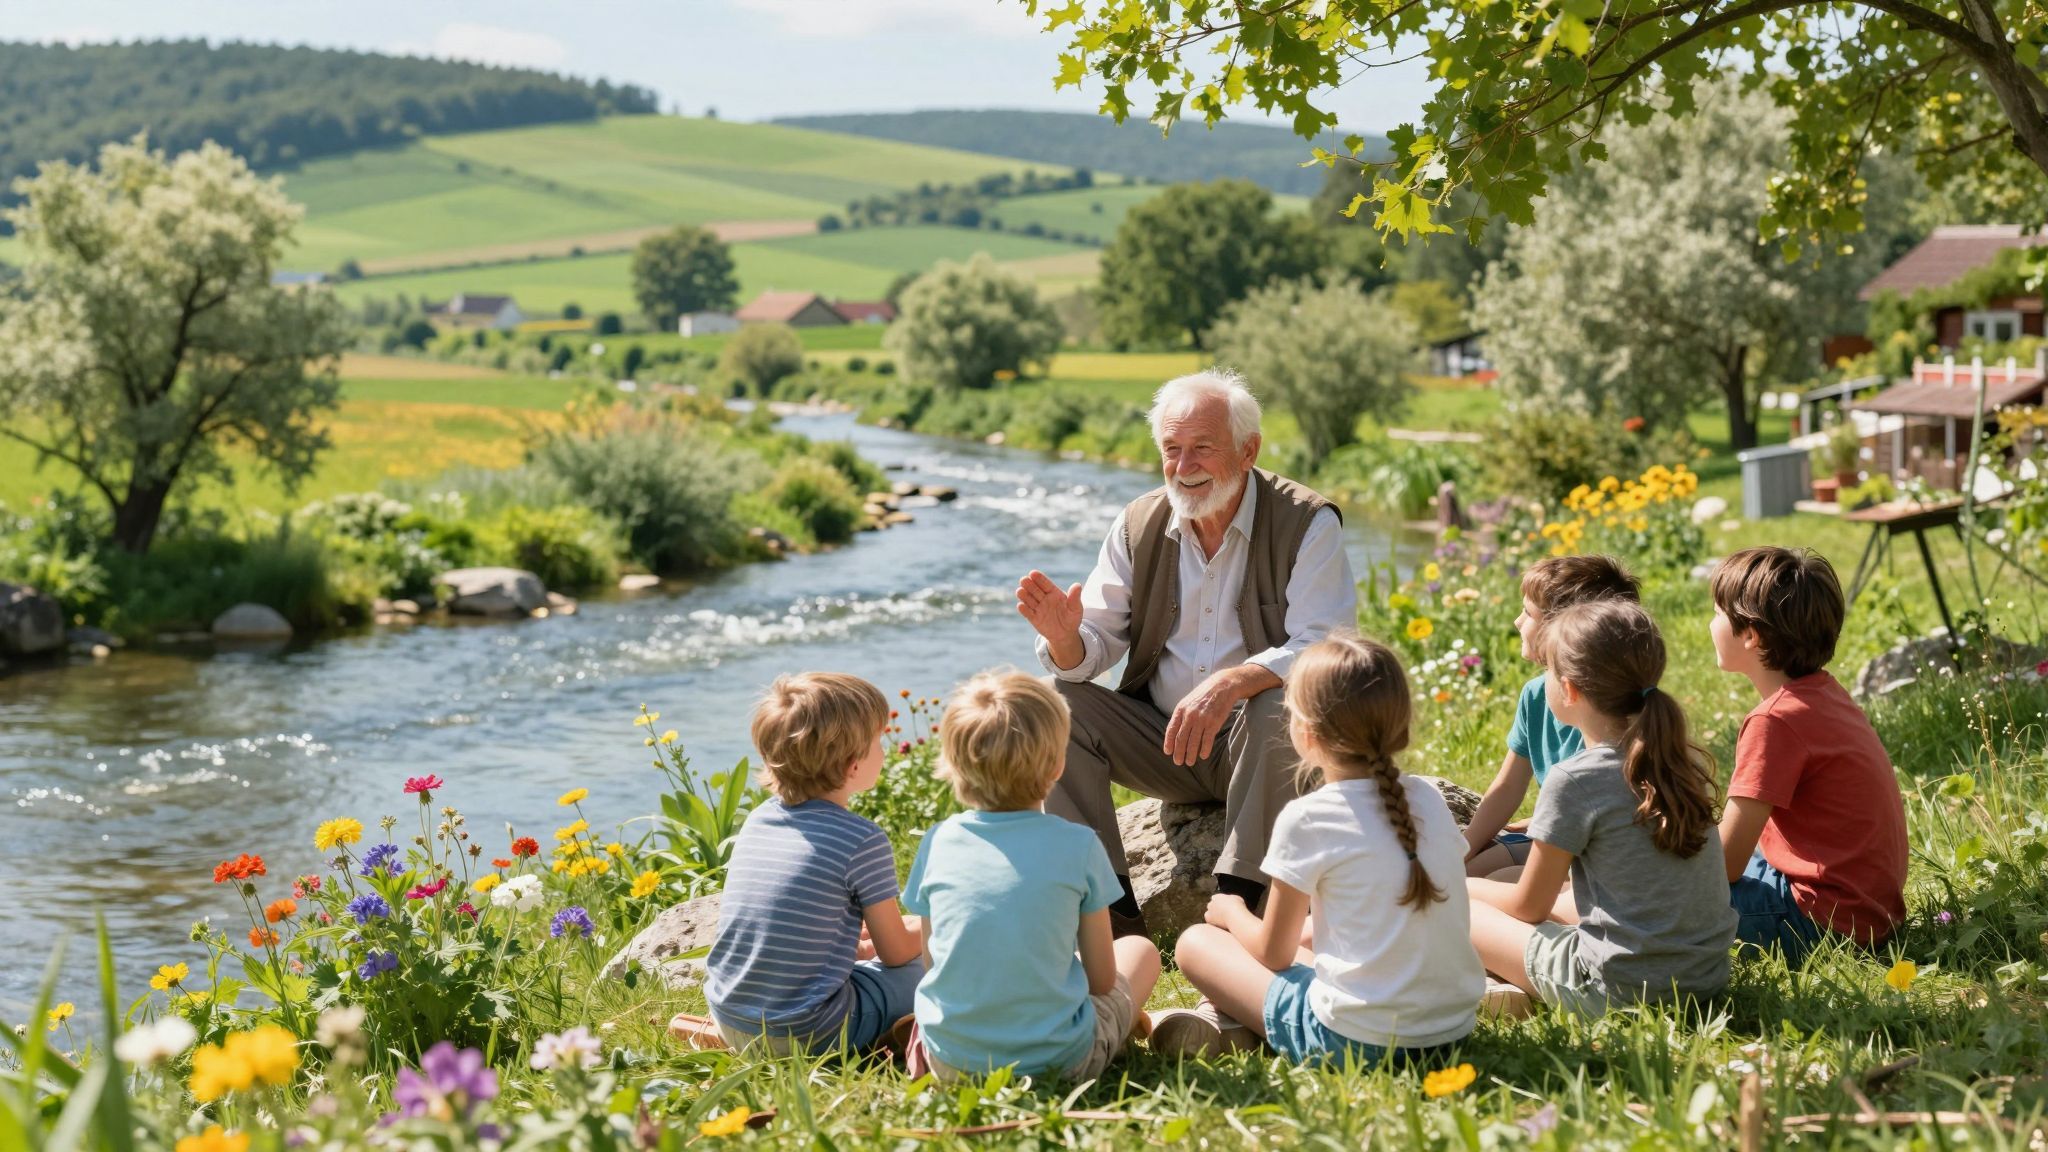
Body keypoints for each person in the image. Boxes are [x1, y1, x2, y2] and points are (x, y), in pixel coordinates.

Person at [1016, 369, 1358, 935]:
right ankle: (1110, 915)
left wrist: (1233, 682)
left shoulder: (1307, 521)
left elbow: (1328, 645)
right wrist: (1065, 638)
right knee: (1058, 701)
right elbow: (1093, 647)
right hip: (1164, 743)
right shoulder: (1137, 523)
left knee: (1281, 699)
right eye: (1172, 449)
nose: (1184, 465)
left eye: (1203, 447)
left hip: (1264, 749)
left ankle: (1241, 899)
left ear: (1249, 451)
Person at [1156, 634, 1483, 1064]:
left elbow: (1272, 953)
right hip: (1451, 1031)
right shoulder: (1425, 799)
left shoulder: (1307, 818)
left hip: (1355, 1042)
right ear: (1401, 725)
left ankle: (1240, 1025)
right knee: (1309, 936)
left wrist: (1231, 912)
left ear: (1305, 734)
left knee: (1197, 943)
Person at [1467, 601, 1737, 1017]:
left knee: (1456, 906)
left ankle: (1491, 988)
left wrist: (1457, 882)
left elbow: (1528, 907)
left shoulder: (1575, 779)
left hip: (1616, 988)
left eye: (1549, 673)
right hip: (1704, 980)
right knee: (1507, 880)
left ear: (1570, 689)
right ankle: (1506, 980)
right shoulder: (1683, 762)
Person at [900, 671, 1161, 1081]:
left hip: (951, 1061)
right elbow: (1100, 979)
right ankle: (1124, 1027)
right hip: (1061, 1061)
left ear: (953, 766)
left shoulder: (938, 841)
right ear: (1058, 764)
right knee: (1140, 951)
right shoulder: (1079, 845)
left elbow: (934, 966)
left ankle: (924, 1043)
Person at [680, 673, 924, 1053]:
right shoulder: (861, 839)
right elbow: (895, 952)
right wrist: (938, 926)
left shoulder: (759, 819)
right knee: (929, 961)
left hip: (731, 1018)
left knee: (898, 938)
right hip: (808, 1033)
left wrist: (864, 947)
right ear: (851, 765)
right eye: (878, 740)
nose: (884, 748)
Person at [1710, 547, 1907, 963]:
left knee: (1657, 897)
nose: (1710, 624)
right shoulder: (1824, 693)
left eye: (1716, 613)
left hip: (1820, 922)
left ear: (1750, 635)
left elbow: (1723, 866)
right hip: (1867, 910)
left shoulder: (1774, 721)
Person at [1464, 555, 1640, 877]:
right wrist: (1464, 848)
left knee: (1490, 885)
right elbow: (1507, 787)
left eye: (1528, 613)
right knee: (1463, 873)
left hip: (1602, 856)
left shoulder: (1613, 707)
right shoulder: (1535, 693)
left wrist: (1554, 820)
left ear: (1566, 629)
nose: (1518, 622)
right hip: (1561, 836)